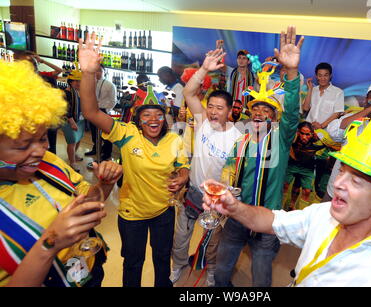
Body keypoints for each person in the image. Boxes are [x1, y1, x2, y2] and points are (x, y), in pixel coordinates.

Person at [204, 101, 371, 286]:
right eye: (343, 172)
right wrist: (233, 207)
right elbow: (270, 220)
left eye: (357, 180)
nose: (339, 183)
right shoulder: (322, 215)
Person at [78, 33, 190, 287]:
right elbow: (91, 112)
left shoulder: (174, 141)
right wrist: (87, 73)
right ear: (138, 120)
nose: (153, 119)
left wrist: (183, 177)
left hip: (164, 212)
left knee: (163, 260)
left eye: (158, 115)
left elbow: (182, 167)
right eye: (146, 115)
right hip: (132, 214)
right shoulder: (128, 135)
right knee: (133, 263)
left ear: (165, 119)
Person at [0, 59, 123, 287]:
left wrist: (105, 184)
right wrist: (50, 243)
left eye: (43, 138)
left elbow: (87, 201)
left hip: (87, 271)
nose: (41, 150)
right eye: (22, 146)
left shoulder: (49, 162)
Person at [214, 26, 302, 287]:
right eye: (256, 108)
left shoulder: (281, 139)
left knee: (261, 277)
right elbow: (227, 173)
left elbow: (292, 114)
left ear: (274, 117)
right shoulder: (240, 142)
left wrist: (292, 72)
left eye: (267, 110)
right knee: (221, 272)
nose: (260, 113)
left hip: (267, 218)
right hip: (237, 216)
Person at [170, 53, 242, 287]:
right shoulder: (201, 121)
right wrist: (203, 69)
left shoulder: (238, 137)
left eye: (219, 108)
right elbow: (188, 92)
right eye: (210, 106)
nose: (213, 112)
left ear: (229, 110)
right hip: (192, 192)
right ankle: (178, 265)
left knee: (213, 242)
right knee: (181, 237)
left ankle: (211, 272)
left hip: (216, 201)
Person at [323, 80, 371, 201]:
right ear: (366, 98)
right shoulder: (355, 118)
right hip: (337, 189)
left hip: (364, 197)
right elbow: (333, 131)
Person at [283, 121, 325, 211]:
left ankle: (300, 213)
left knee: (307, 191)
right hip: (292, 165)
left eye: (307, 134)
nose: (304, 137)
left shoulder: (317, 142)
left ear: (312, 134)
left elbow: (333, 145)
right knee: (285, 186)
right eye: (302, 133)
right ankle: (280, 209)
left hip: (307, 168)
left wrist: (320, 138)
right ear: (298, 132)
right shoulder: (293, 139)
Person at [85, 64, 116, 168]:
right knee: (94, 132)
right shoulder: (90, 83)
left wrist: (105, 110)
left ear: (104, 72)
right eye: (95, 71)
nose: (97, 73)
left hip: (103, 110)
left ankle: (106, 153)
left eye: (99, 71)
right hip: (92, 109)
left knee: (105, 133)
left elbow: (113, 100)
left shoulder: (109, 85)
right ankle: (96, 149)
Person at [303, 62, 344, 131]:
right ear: (316, 76)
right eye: (320, 75)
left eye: (326, 75)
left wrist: (321, 126)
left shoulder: (338, 92)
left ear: (330, 76)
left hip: (325, 131)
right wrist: (310, 89)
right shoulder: (313, 90)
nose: (323, 78)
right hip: (308, 128)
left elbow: (337, 113)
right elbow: (305, 108)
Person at [60, 68, 85, 172]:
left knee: (78, 138)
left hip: (80, 119)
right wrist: (72, 122)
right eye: (78, 81)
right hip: (69, 121)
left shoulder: (77, 92)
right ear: (71, 81)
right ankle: (72, 162)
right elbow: (65, 110)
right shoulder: (66, 93)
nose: (80, 83)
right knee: (72, 141)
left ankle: (74, 154)